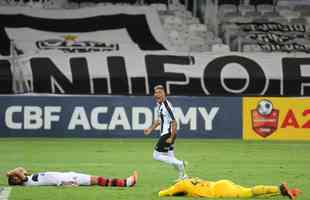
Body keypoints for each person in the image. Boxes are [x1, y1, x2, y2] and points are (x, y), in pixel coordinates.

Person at [144, 84, 187, 180]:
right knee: (171, 156)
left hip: (167, 134)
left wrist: (171, 137)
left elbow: (174, 122)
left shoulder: (167, 106)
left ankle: (181, 163)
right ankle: (183, 176)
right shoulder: (159, 105)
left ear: (164, 94)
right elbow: (159, 120)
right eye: (156, 92)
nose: (157, 94)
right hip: (168, 134)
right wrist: (150, 129)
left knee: (156, 155)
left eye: (160, 92)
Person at [158, 177, 301, 200]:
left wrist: (169, 190)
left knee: (249, 193)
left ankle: (279, 189)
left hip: (219, 191)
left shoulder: (180, 185)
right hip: (222, 183)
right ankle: (282, 191)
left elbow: (162, 194)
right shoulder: (189, 180)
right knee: (248, 191)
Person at [6, 167, 138, 187]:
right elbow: (17, 171)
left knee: (97, 179)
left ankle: (126, 182)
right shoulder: (25, 181)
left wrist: (23, 171)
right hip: (66, 179)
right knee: (98, 180)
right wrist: (9, 174)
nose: (18, 176)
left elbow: (20, 168)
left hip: (66, 176)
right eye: (15, 179)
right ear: (17, 181)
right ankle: (127, 182)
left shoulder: (27, 178)